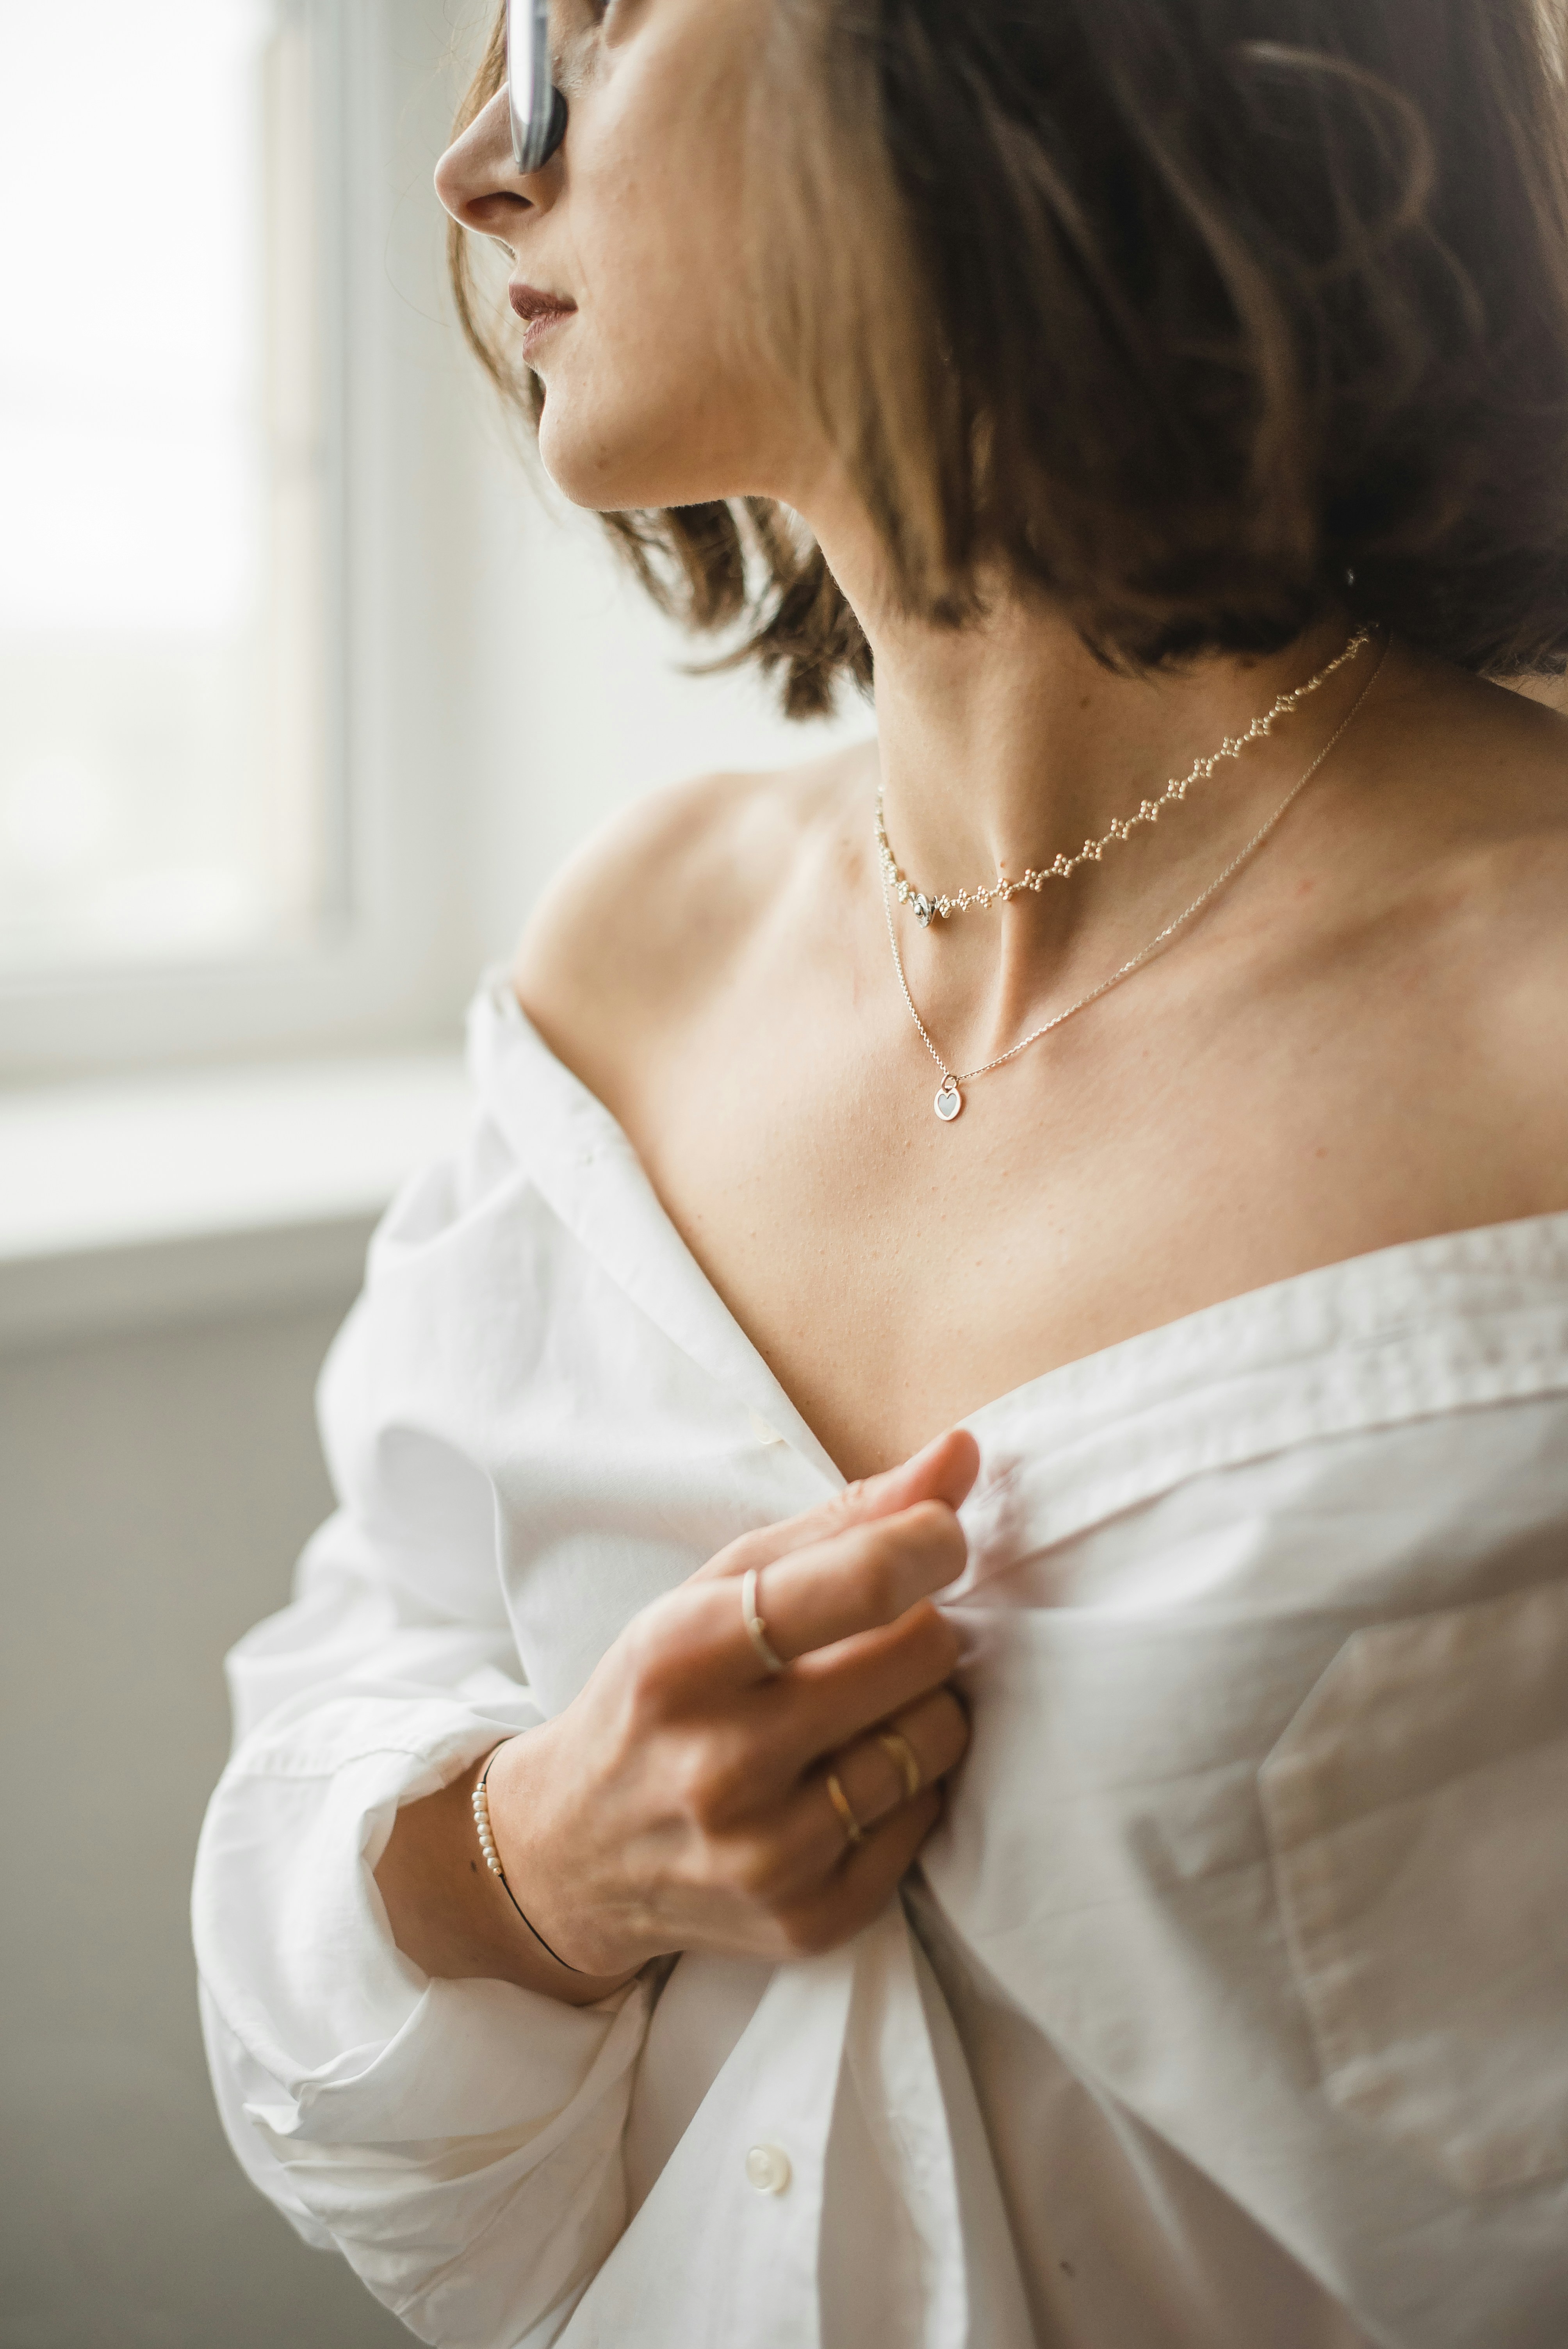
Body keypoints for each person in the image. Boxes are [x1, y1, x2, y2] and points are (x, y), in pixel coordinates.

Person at [193, 2, 1568, 2342]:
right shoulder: (621, 970)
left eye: (593, 28)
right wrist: (540, 1865)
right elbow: (358, 1744)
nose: (475, 169)